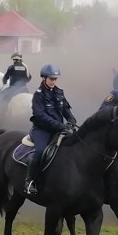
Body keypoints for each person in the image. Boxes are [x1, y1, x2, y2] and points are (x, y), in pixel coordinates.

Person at [24, 63, 77, 195]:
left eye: (55, 79)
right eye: (51, 79)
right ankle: (29, 181)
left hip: (59, 129)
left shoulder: (60, 92)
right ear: (44, 78)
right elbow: (40, 115)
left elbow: (66, 110)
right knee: (40, 151)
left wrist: (71, 120)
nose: (53, 81)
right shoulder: (38, 95)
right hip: (42, 130)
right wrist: (60, 125)